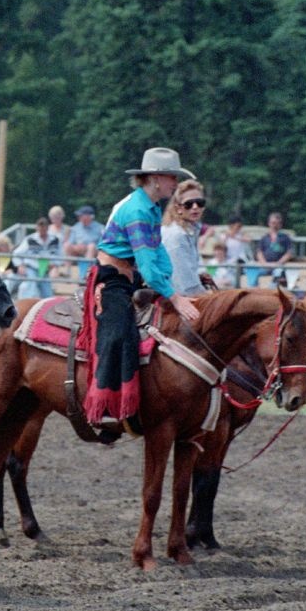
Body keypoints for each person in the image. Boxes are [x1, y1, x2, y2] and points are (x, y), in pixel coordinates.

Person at [90, 147, 201, 440]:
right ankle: (106, 408)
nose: (175, 184)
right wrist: (174, 296)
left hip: (131, 275)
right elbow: (149, 266)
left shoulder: (149, 206)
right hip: (112, 278)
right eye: (170, 178)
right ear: (154, 178)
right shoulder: (139, 210)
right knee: (118, 333)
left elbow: (158, 254)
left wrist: (168, 281)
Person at [161, 179, 211, 297]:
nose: (195, 207)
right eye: (189, 204)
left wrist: (200, 275)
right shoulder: (176, 235)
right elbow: (185, 285)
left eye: (200, 203)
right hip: (176, 298)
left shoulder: (189, 231)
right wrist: (208, 296)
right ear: (178, 208)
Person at [12, 216, 61, 299]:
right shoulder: (30, 239)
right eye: (40, 228)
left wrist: (55, 265)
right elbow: (16, 253)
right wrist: (20, 265)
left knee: (47, 292)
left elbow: (60, 255)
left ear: (47, 228)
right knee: (30, 288)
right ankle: (27, 303)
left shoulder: (55, 240)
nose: (42, 230)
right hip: (32, 268)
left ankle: (47, 304)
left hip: (46, 269)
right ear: (37, 228)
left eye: (44, 228)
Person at [256, 211, 295, 287]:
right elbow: (259, 252)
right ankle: (253, 291)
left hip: (278, 266)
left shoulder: (285, 238)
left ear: (280, 225)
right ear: (269, 223)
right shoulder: (265, 237)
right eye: (273, 223)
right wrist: (264, 263)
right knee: (252, 271)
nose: (275, 225)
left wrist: (278, 263)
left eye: (277, 223)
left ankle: (271, 292)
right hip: (265, 265)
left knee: (278, 273)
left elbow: (289, 253)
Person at [64, 204, 102, 280]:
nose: (79, 217)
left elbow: (102, 244)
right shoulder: (76, 227)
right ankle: (67, 272)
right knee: (67, 245)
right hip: (79, 249)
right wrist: (77, 246)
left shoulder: (100, 228)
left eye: (81, 215)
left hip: (94, 250)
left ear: (89, 216)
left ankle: (86, 274)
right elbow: (71, 241)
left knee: (91, 246)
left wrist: (89, 246)